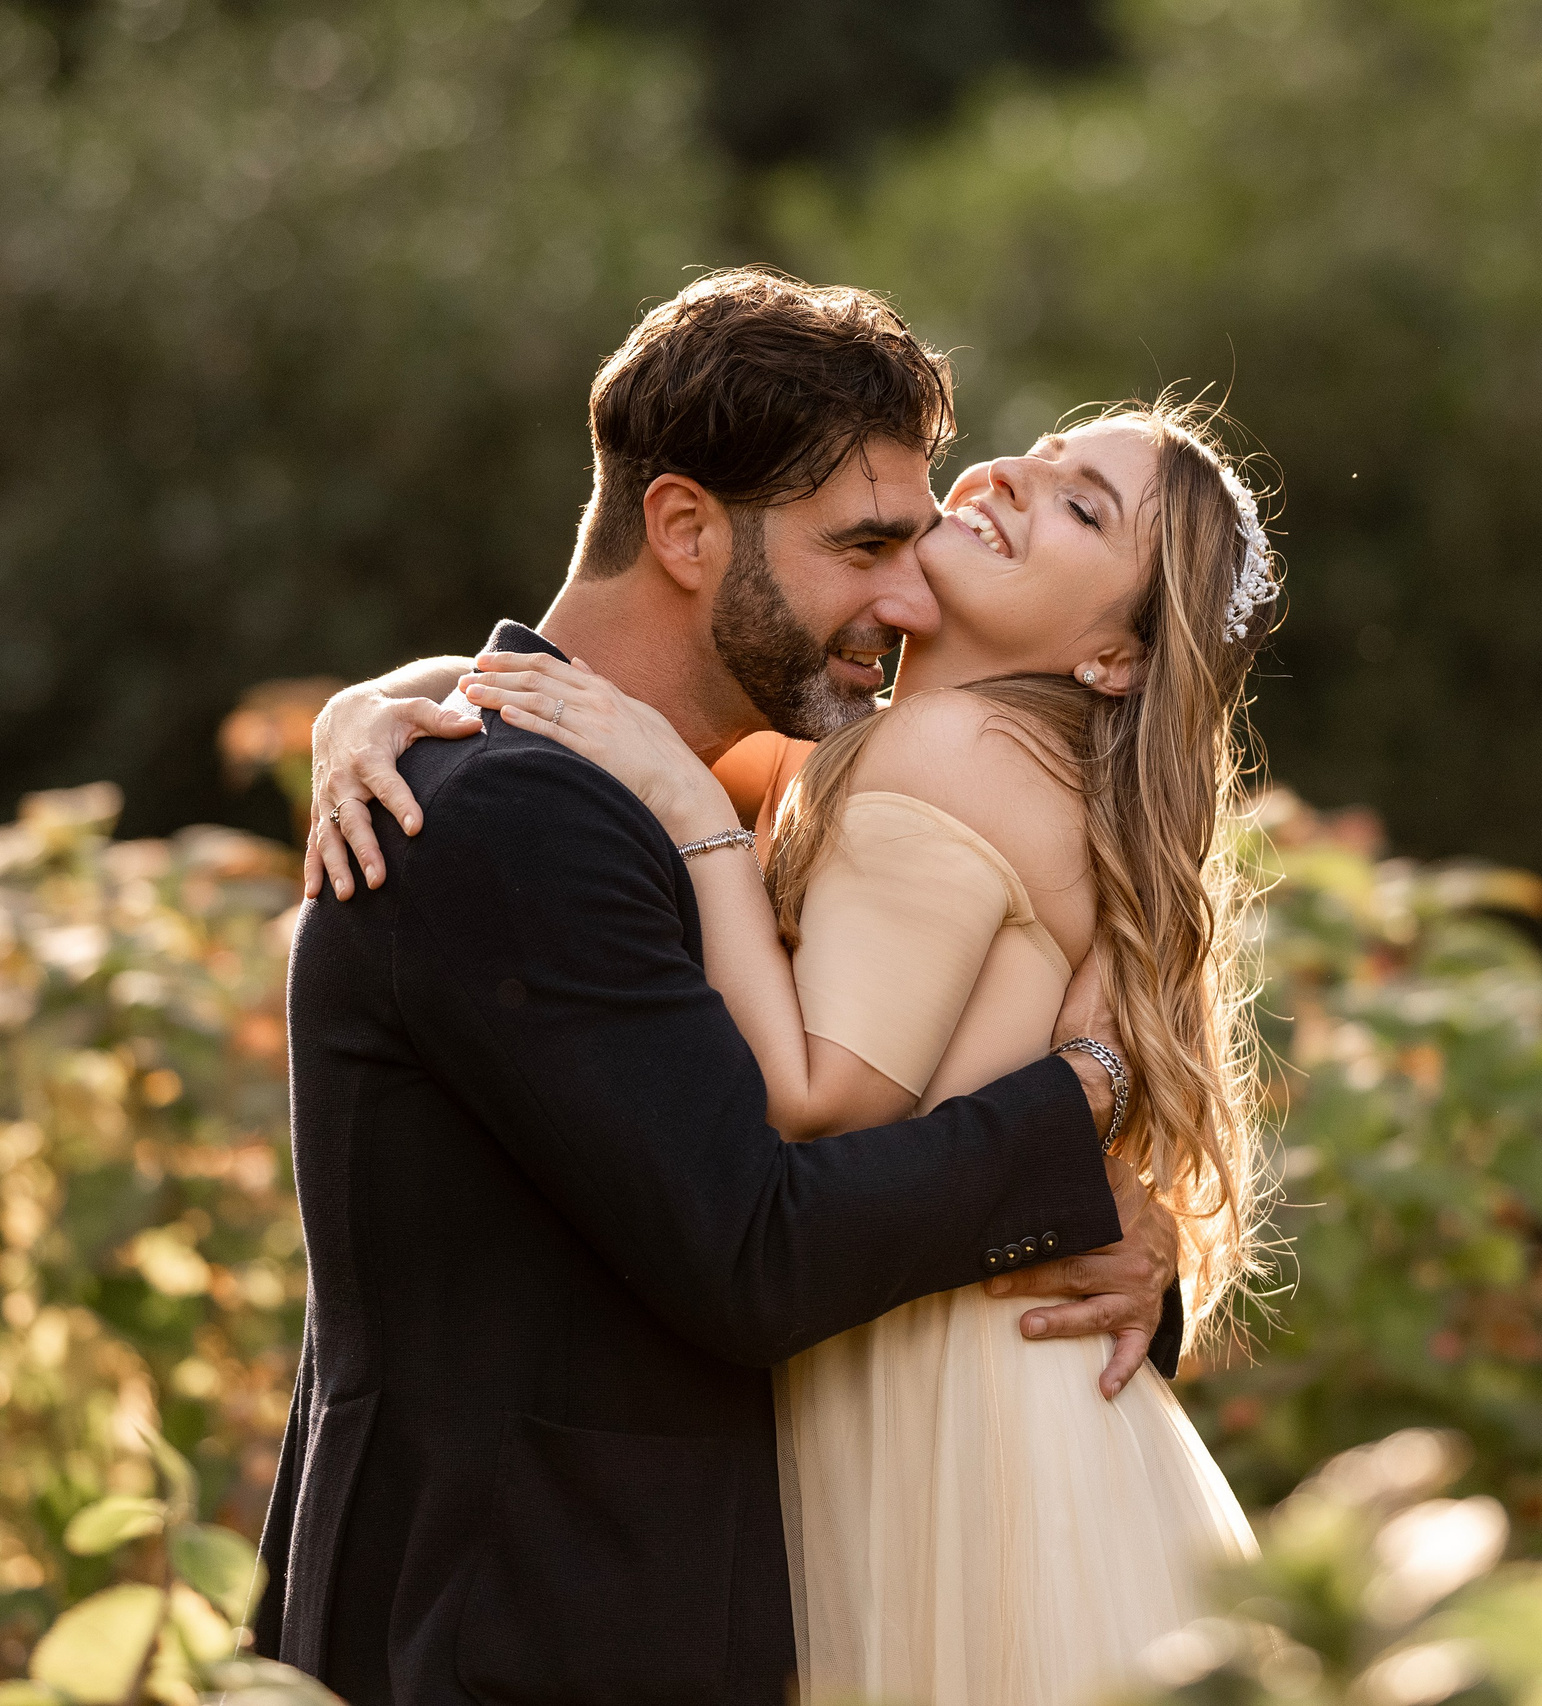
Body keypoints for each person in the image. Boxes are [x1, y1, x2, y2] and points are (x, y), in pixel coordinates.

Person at [254, 268, 1182, 1706]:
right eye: (864, 543)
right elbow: (755, 1249)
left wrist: (1121, 1242)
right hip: (507, 1642)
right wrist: (1077, 1108)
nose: (912, 584)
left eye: (918, 536)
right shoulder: (510, 819)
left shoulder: (712, 797)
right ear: (686, 528)